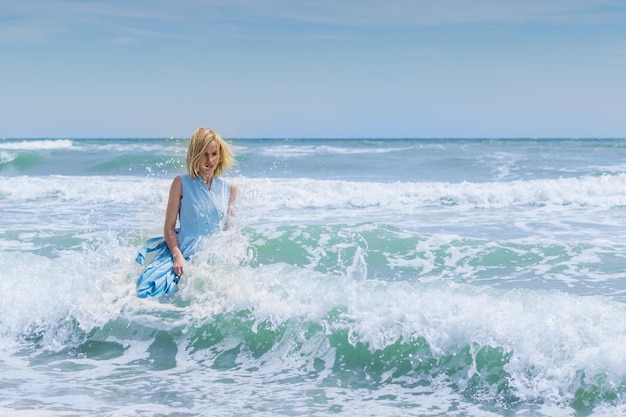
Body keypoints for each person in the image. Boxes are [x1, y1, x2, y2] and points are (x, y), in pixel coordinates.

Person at [135, 127, 237, 298]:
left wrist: (228, 253)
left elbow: (229, 230)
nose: (210, 160)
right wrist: (177, 257)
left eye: (214, 154)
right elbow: (168, 227)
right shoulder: (181, 183)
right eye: (204, 154)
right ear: (195, 154)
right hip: (184, 249)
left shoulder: (230, 187)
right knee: (147, 291)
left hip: (214, 252)